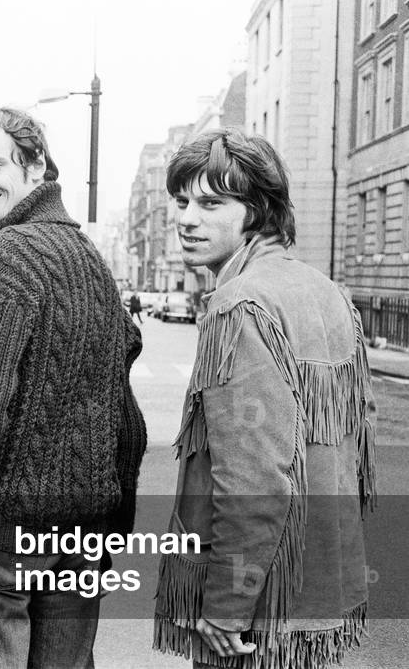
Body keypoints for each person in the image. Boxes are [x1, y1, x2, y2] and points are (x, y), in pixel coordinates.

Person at [0, 107, 148, 668]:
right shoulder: (92, 262)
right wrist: (110, 534)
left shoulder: (5, 257)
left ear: (37, 164)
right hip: (81, 539)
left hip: (1, 542)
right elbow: (126, 422)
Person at [153, 129, 375, 669]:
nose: (187, 219)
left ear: (257, 210)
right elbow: (353, 456)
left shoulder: (240, 303)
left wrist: (228, 606)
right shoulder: (326, 292)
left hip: (258, 611)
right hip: (318, 589)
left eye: (211, 203)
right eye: (181, 202)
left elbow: (253, 476)